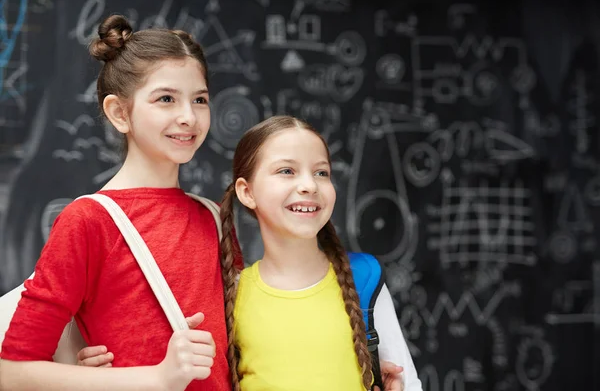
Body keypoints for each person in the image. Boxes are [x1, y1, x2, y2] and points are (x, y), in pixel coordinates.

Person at [76, 116, 423, 391]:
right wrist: (101, 377)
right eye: (287, 170)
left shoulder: (363, 277)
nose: (308, 184)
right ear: (247, 192)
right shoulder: (231, 295)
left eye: (321, 172)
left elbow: (408, 384)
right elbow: (182, 369)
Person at [0, 14, 242, 391]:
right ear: (119, 113)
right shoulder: (88, 221)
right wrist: (157, 377)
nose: (188, 116)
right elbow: (11, 372)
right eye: (166, 99)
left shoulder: (212, 217)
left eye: (200, 99)